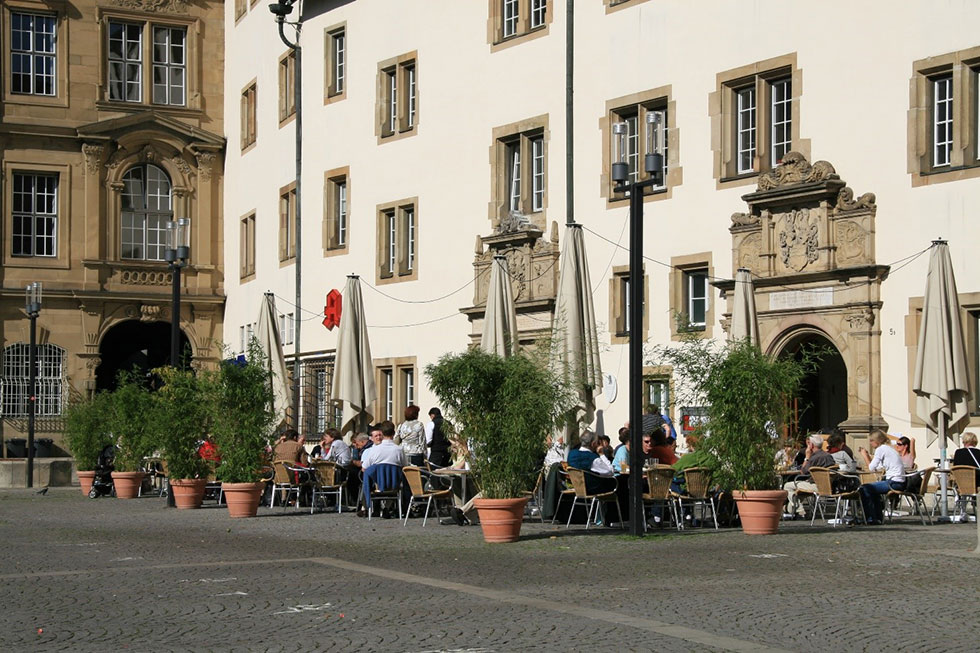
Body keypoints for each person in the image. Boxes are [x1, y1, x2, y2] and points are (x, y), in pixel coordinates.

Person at [858, 429, 907, 525]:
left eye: (871, 440)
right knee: (873, 490)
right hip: (900, 482)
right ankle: (877, 517)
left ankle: (871, 518)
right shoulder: (889, 448)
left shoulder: (880, 449)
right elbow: (879, 467)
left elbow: (871, 468)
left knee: (864, 488)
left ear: (877, 441)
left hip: (893, 482)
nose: (870, 443)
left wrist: (865, 455)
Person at [782, 433, 836, 518]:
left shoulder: (814, 458)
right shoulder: (828, 456)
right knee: (796, 495)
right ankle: (787, 509)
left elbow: (803, 472)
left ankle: (800, 512)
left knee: (787, 486)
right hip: (827, 486)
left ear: (811, 445)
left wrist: (807, 457)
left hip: (815, 485)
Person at [567, 430, 616, 494]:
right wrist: (602, 454)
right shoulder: (592, 458)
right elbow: (610, 472)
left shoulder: (571, 454)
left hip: (578, 488)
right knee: (618, 482)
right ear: (593, 444)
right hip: (593, 488)